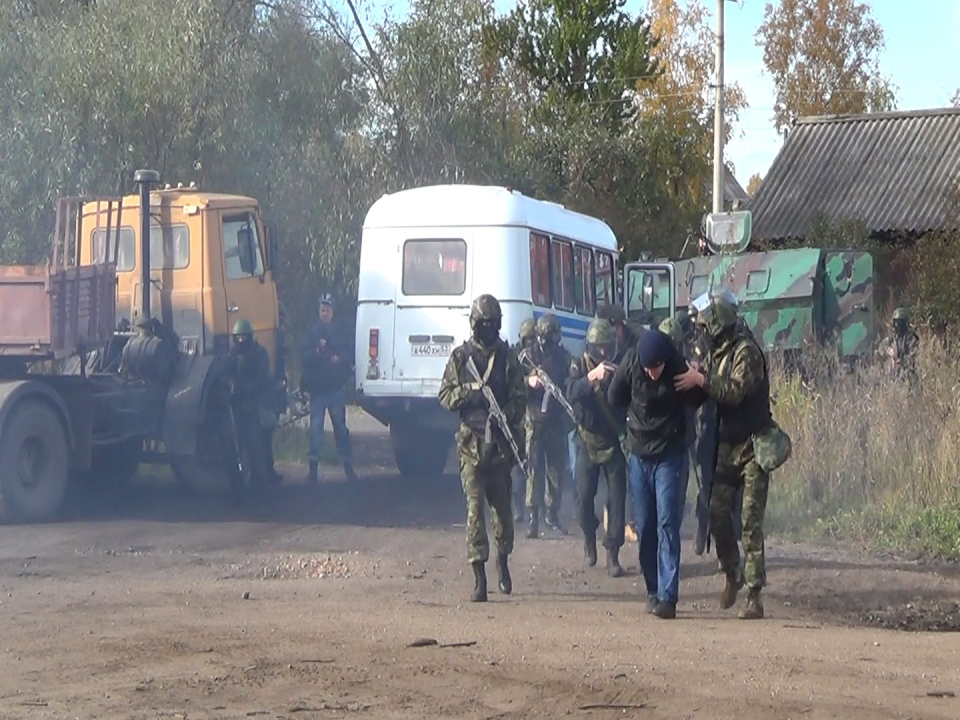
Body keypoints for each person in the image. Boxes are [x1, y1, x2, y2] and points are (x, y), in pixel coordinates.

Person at [674, 288, 774, 620]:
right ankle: (732, 572)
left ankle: (755, 595)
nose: (702, 332)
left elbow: (733, 392)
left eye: (706, 326)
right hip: (727, 449)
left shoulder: (747, 353)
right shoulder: (719, 352)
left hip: (753, 447)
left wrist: (702, 380)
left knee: (749, 522)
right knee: (716, 513)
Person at [438, 294, 525, 602]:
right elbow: (445, 395)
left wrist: (506, 416)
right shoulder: (461, 358)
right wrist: (471, 394)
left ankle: (502, 560)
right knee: (475, 512)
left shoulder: (507, 356)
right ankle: (479, 576)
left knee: (502, 513)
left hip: (499, 447)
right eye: (484, 324)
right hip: (471, 446)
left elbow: (519, 397)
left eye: (493, 325)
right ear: (475, 324)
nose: (489, 330)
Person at [608, 327, 699, 619]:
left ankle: (667, 597)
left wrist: (698, 379)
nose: (652, 374)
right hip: (639, 454)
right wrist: (630, 421)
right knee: (645, 526)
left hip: (669, 454)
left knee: (667, 523)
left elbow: (696, 400)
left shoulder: (676, 365)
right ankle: (652, 589)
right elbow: (614, 396)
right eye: (648, 369)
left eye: (656, 368)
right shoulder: (633, 363)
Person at [567, 319, 627, 577]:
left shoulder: (621, 364)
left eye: (607, 347)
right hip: (586, 440)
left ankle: (612, 552)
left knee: (616, 500)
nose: (603, 353)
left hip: (612, 440)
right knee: (582, 499)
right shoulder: (578, 365)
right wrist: (591, 378)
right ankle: (589, 535)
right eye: (597, 348)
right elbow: (569, 392)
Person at [523, 313, 573, 538]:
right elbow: (512, 381)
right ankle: (533, 517)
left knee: (556, 469)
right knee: (534, 469)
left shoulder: (563, 357)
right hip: (534, 419)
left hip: (554, 420)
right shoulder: (528, 355)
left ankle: (551, 515)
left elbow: (570, 383)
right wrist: (529, 381)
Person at [300, 294, 358, 484]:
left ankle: (348, 467)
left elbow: (349, 355)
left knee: (340, 429)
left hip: (335, 389)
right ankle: (313, 472)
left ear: (332, 311)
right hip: (318, 389)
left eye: (327, 309)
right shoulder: (312, 332)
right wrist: (317, 353)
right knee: (316, 430)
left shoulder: (340, 332)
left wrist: (338, 358)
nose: (324, 312)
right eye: (321, 309)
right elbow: (305, 357)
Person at [659, 315, 697, 530]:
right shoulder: (651, 368)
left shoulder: (685, 368)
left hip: (681, 440)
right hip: (659, 443)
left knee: (678, 496)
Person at [228, 318, 273, 497]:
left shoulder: (259, 353)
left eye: (244, 337)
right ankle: (238, 495)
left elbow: (262, 380)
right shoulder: (233, 354)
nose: (241, 341)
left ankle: (260, 498)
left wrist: (244, 388)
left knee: (257, 456)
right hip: (237, 412)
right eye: (238, 337)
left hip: (254, 410)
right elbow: (227, 374)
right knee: (235, 456)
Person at [509, 319, 536, 523]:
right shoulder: (514, 357)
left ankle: (533, 509)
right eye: (527, 339)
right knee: (518, 464)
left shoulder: (538, 355)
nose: (530, 343)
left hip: (534, 415)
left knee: (532, 464)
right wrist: (529, 381)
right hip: (518, 416)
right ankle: (517, 507)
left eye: (532, 339)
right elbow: (511, 383)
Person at [877, 307, 920, 381]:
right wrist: (888, 350)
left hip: (907, 373)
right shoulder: (893, 337)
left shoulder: (911, 338)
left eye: (900, 322)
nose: (897, 325)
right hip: (893, 373)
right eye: (896, 322)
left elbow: (913, 356)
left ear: (905, 323)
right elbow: (881, 347)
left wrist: (900, 361)